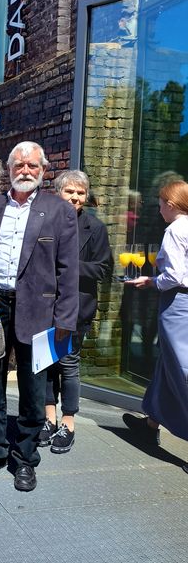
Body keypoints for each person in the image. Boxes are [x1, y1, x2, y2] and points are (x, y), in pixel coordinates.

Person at [0, 141, 79, 492]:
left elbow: (68, 270)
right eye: (19, 165)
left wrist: (65, 318)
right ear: (10, 169)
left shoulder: (59, 210)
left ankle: (25, 457)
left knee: (34, 389)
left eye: (33, 166)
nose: (26, 171)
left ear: (43, 170)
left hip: (40, 309)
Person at [39, 171, 112, 453]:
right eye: (69, 191)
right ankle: (49, 418)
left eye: (80, 193)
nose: (75, 197)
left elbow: (104, 269)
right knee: (46, 364)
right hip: (44, 306)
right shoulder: (44, 224)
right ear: (58, 193)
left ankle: (68, 422)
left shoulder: (95, 228)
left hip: (78, 307)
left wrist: (68, 265)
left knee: (68, 364)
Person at [125, 181, 188, 457]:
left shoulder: (175, 230)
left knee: (182, 369)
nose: (159, 208)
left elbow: (174, 276)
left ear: (171, 205)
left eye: (161, 203)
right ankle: (151, 423)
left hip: (178, 304)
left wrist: (152, 281)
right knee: (168, 363)